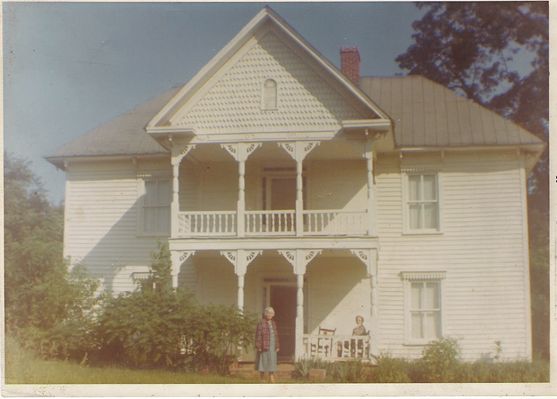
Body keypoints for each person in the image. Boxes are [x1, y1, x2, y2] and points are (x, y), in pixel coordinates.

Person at [255, 306, 280, 383]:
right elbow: (258, 335)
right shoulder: (261, 323)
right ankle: (262, 378)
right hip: (264, 345)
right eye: (269, 313)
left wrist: (277, 345)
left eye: (272, 313)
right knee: (263, 360)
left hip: (272, 345)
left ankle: (271, 376)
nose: (271, 315)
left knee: (272, 360)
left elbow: (276, 335)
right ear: (266, 314)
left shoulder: (273, 323)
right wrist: (258, 346)